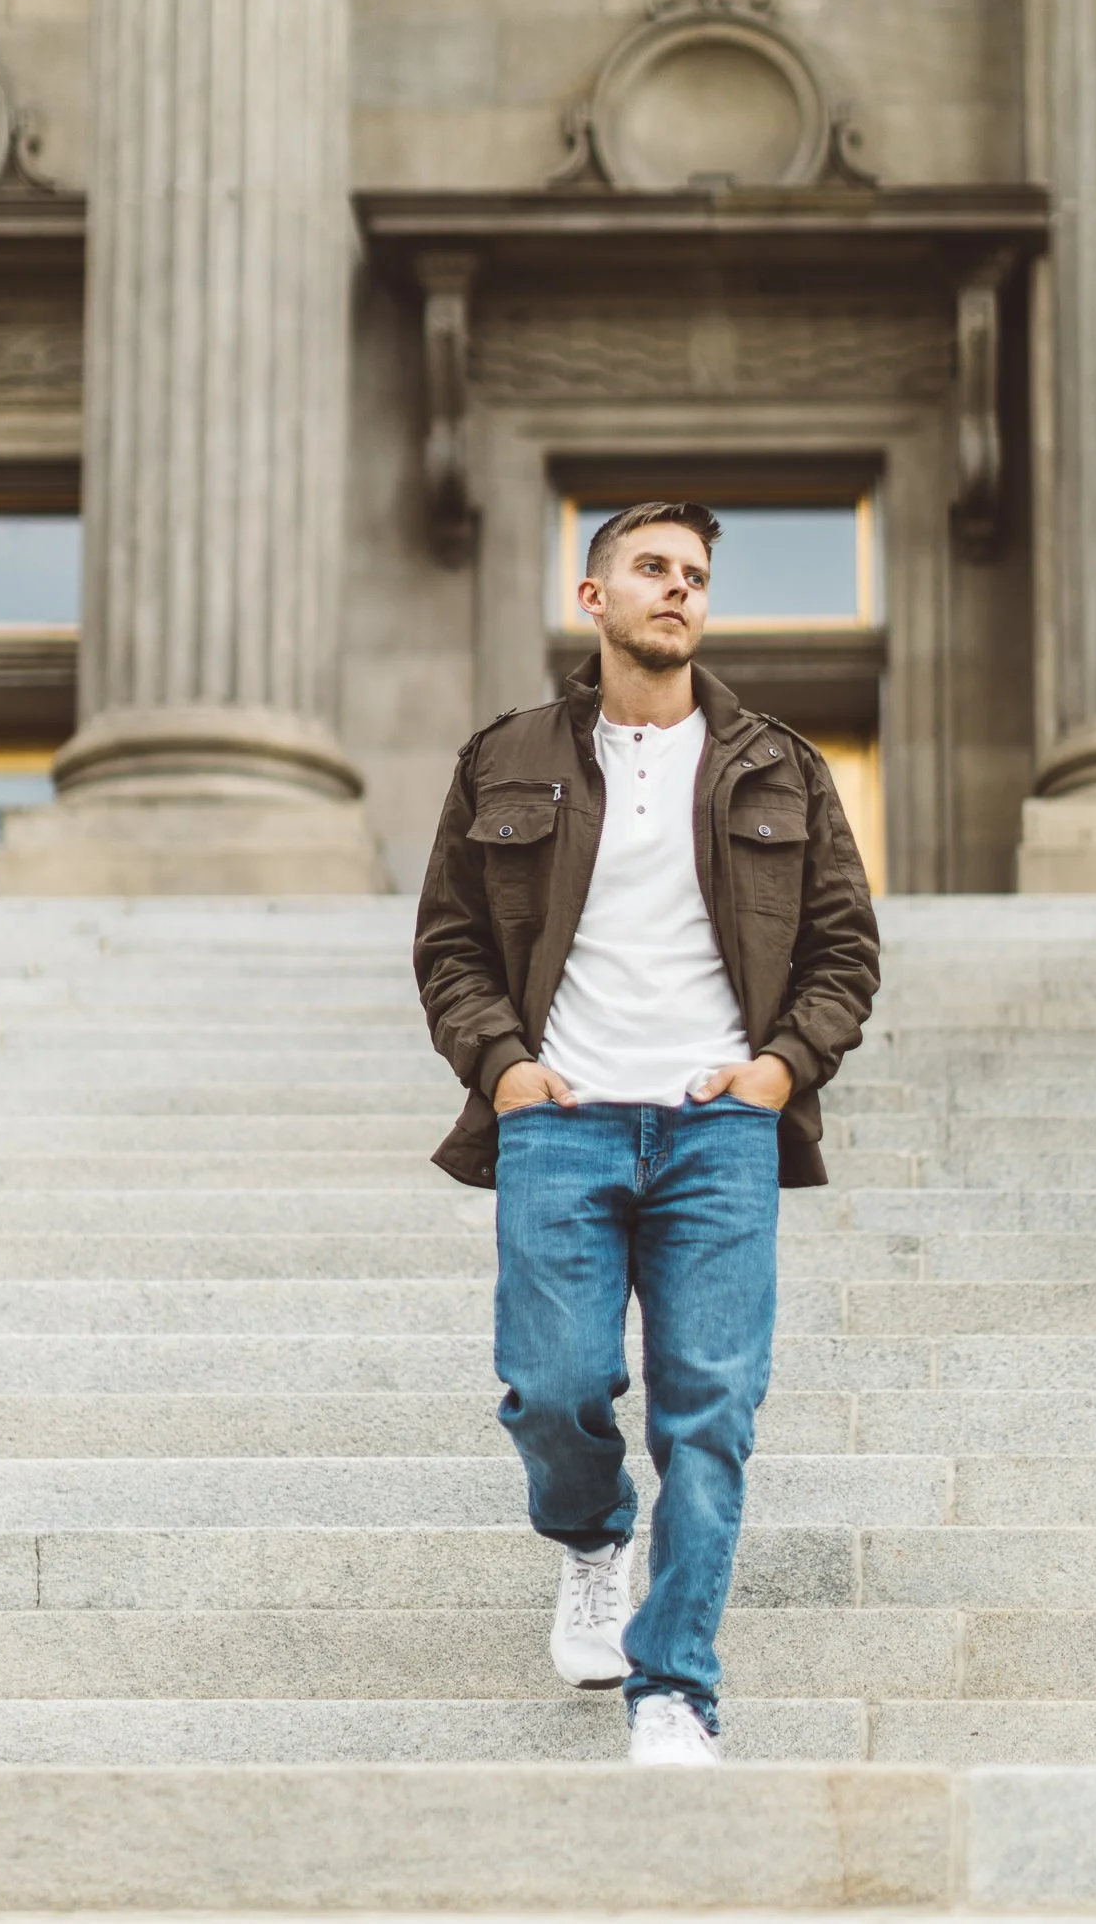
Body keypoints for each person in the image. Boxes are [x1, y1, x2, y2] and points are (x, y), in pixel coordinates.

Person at [414, 501, 879, 1764]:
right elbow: (451, 947)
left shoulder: (779, 765)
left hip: (714, 1128)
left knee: (709, 1415)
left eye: (694, 576)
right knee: (553, 1388)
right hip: (558, 1121)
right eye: (651, 570)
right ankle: (589, 1540)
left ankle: (672, 1684)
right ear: (593, 596)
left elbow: (843, 952)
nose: (676, 590)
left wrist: (779, 1071)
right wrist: (505, 1070)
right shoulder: (503, 756)